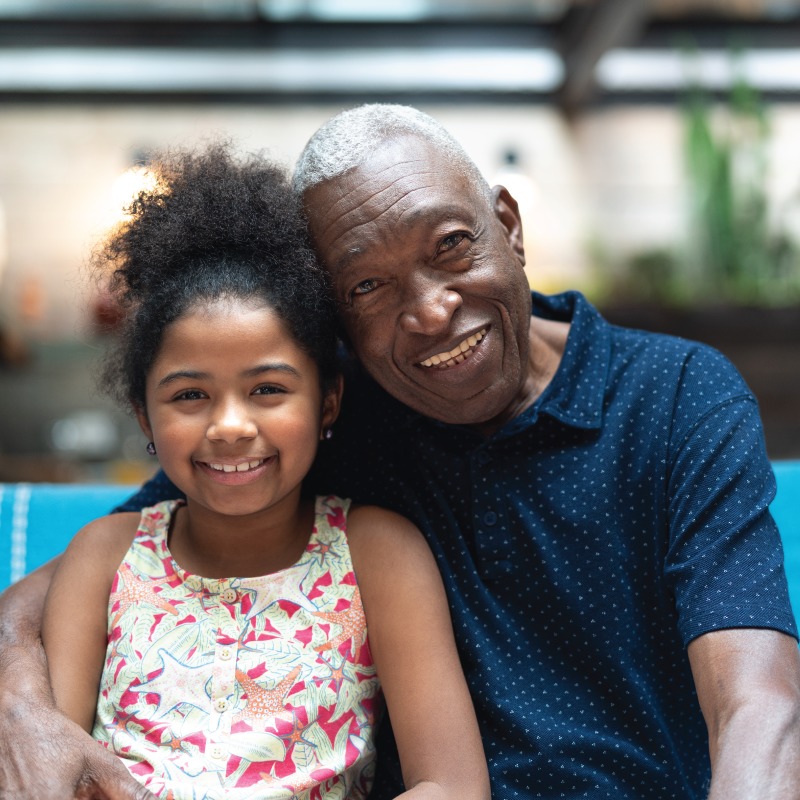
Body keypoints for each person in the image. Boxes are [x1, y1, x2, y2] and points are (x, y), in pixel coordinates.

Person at [0, 104, 799, 800]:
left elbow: (757, 704)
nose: (430, 310)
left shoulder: (674, 397)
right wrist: (23, 714)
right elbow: (52, 594)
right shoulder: (332, 422)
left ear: (509, 226)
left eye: (450, 245)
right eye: (367, 288)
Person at [35, 143, 489, 800]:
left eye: (268, 390)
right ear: (144, 417)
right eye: (190, 395)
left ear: (327, 401)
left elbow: (450, 785)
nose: (229, 426)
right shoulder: (105, 556)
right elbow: (44, 766)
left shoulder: (376, 552)